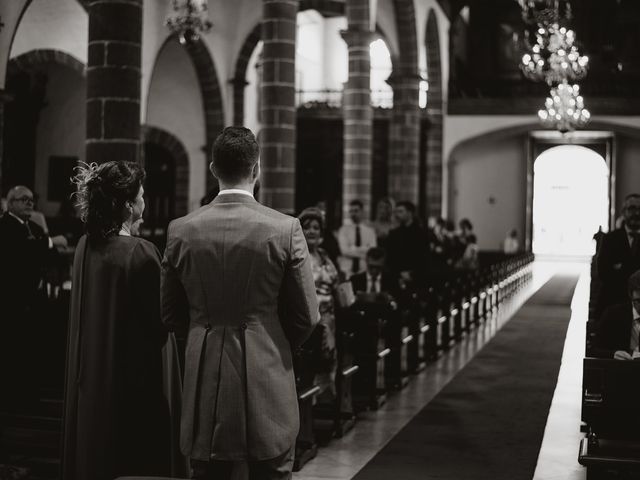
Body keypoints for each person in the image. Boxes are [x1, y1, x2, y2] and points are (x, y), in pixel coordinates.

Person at [161, 126, 319, 480]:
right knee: (272, 469)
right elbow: (307, 315)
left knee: (208, 471)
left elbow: (170, 312)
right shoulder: (285, 229)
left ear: (213, 169)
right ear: (257, 169)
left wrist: (205, 332)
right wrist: (272, 337)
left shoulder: (180, 229)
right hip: (268, 369)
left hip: (204, 373)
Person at [63, 161, 179, 480]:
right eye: (141, 197)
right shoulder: (140, 252)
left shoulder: (86, 246)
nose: (146, 204)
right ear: (128, 206)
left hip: (94, 375)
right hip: (135, 379)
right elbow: (162, 320)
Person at [0, 186, 66, 414]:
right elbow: (19, 251)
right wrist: (49, 243)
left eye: (32, 200)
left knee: (30, 348)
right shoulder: (5, 225)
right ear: (10, 203)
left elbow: (50, 254)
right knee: (13, 349)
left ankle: (29, 396)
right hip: (12, 299)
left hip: (34, 296)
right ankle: (12, 398)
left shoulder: (34, 226)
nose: (30, 204)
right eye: (23, 200)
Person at [298, 207, 339, 401]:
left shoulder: (324, 256)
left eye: (316, 228)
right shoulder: (297, 256)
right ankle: (310, 403)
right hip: (308, 318)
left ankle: (325, 400)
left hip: (329, 318)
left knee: (328, 361)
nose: (312, 231)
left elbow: (335, 282)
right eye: (307, 228)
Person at [596, 193, 640, 319]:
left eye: (639, 209)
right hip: (613, 301)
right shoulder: (610, 239)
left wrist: (621, 268)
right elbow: (603, 272)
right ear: (623, 212)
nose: (636, 213)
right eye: (632, 209)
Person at [593, 270, 640, 360]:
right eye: (638, 301)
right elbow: (594, 349)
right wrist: (613, 354)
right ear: (631, 296)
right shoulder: (614, 315)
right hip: (621, 369)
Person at [386, 201, 429, 287]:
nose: (397, 215)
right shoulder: (394, 234)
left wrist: (412, 273)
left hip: (416, 277)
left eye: (401, 211)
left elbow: (424, 257)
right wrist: (399, 274)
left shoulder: (422, 233)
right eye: (396, 212)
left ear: (410, 213)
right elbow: (391, 256)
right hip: (397, 276)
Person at [337, 199, 377, 277]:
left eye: (356, 211)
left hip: (364, 271)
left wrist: (352, 248)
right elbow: (344, 251)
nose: (353, 214)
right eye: (351, 211)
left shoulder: (370, 231)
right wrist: (364, 250)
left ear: (362, 211)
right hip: (347, 271)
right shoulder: (343, 230)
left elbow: (372, 251)